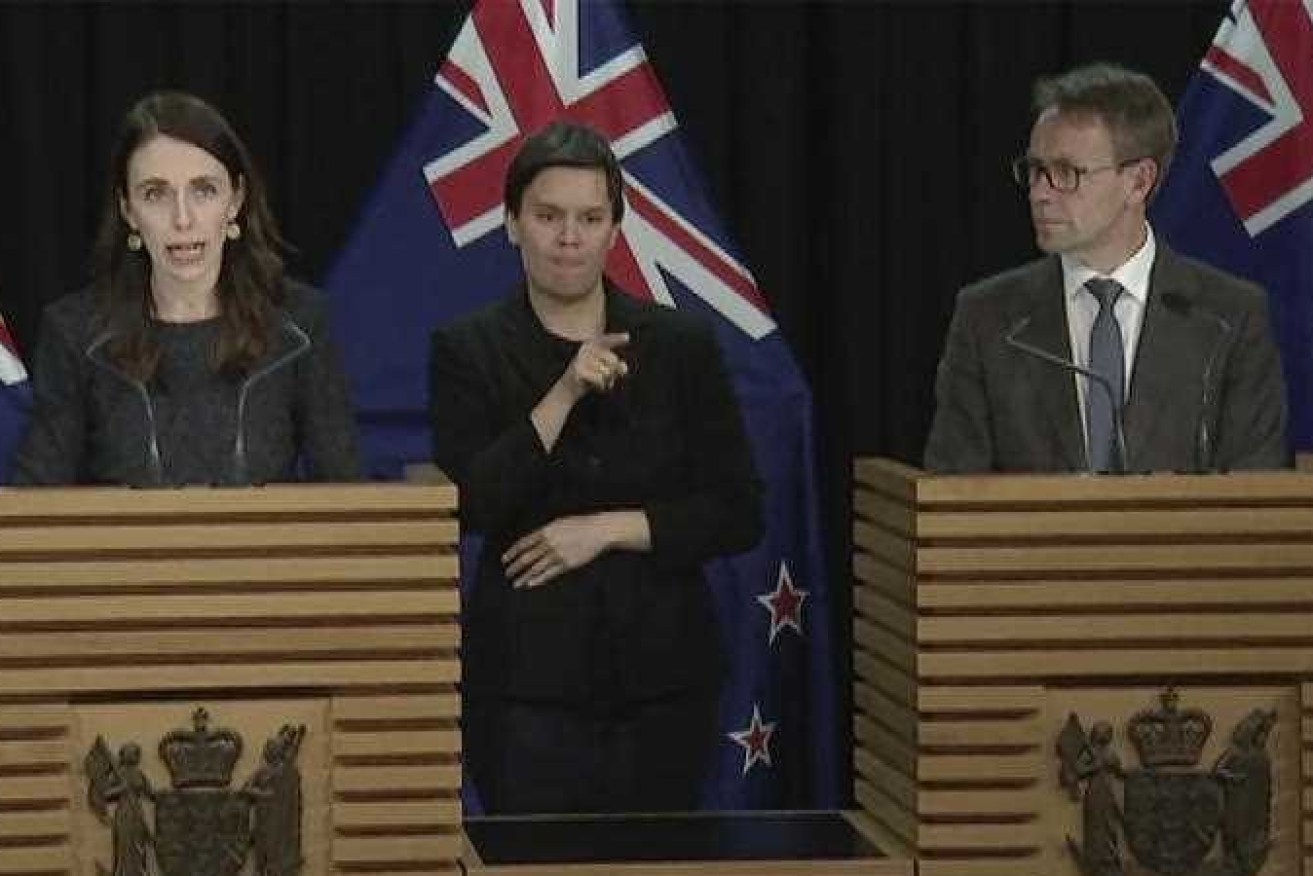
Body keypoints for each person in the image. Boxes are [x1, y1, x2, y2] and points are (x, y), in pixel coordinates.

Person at [429, 120, 762, 813]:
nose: (569, 238)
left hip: (664, 683)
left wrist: (608, 528)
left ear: (615, 228)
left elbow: (738, 512)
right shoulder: (467, 348)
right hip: (525, 691)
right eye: (548, 217)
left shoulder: (680, 344)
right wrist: (564, 391)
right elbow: (470, 505)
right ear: (512, 223)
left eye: (589, 218)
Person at [924, 63, 1290, 473]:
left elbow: (1258, 496)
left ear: (1139, 182)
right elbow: (952, 493)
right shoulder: (988, 317)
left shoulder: (1229, 317)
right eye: (1035, 171)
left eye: (1066, 173)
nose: (1040, 194)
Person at [12, 91, 360, 485]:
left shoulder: (299, 325)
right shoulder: (75, 332)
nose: (183, 218)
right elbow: (36, 502)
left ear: (236, 200)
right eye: (155, 194)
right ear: (128, 210)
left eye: (204, 190)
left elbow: (345, 495)